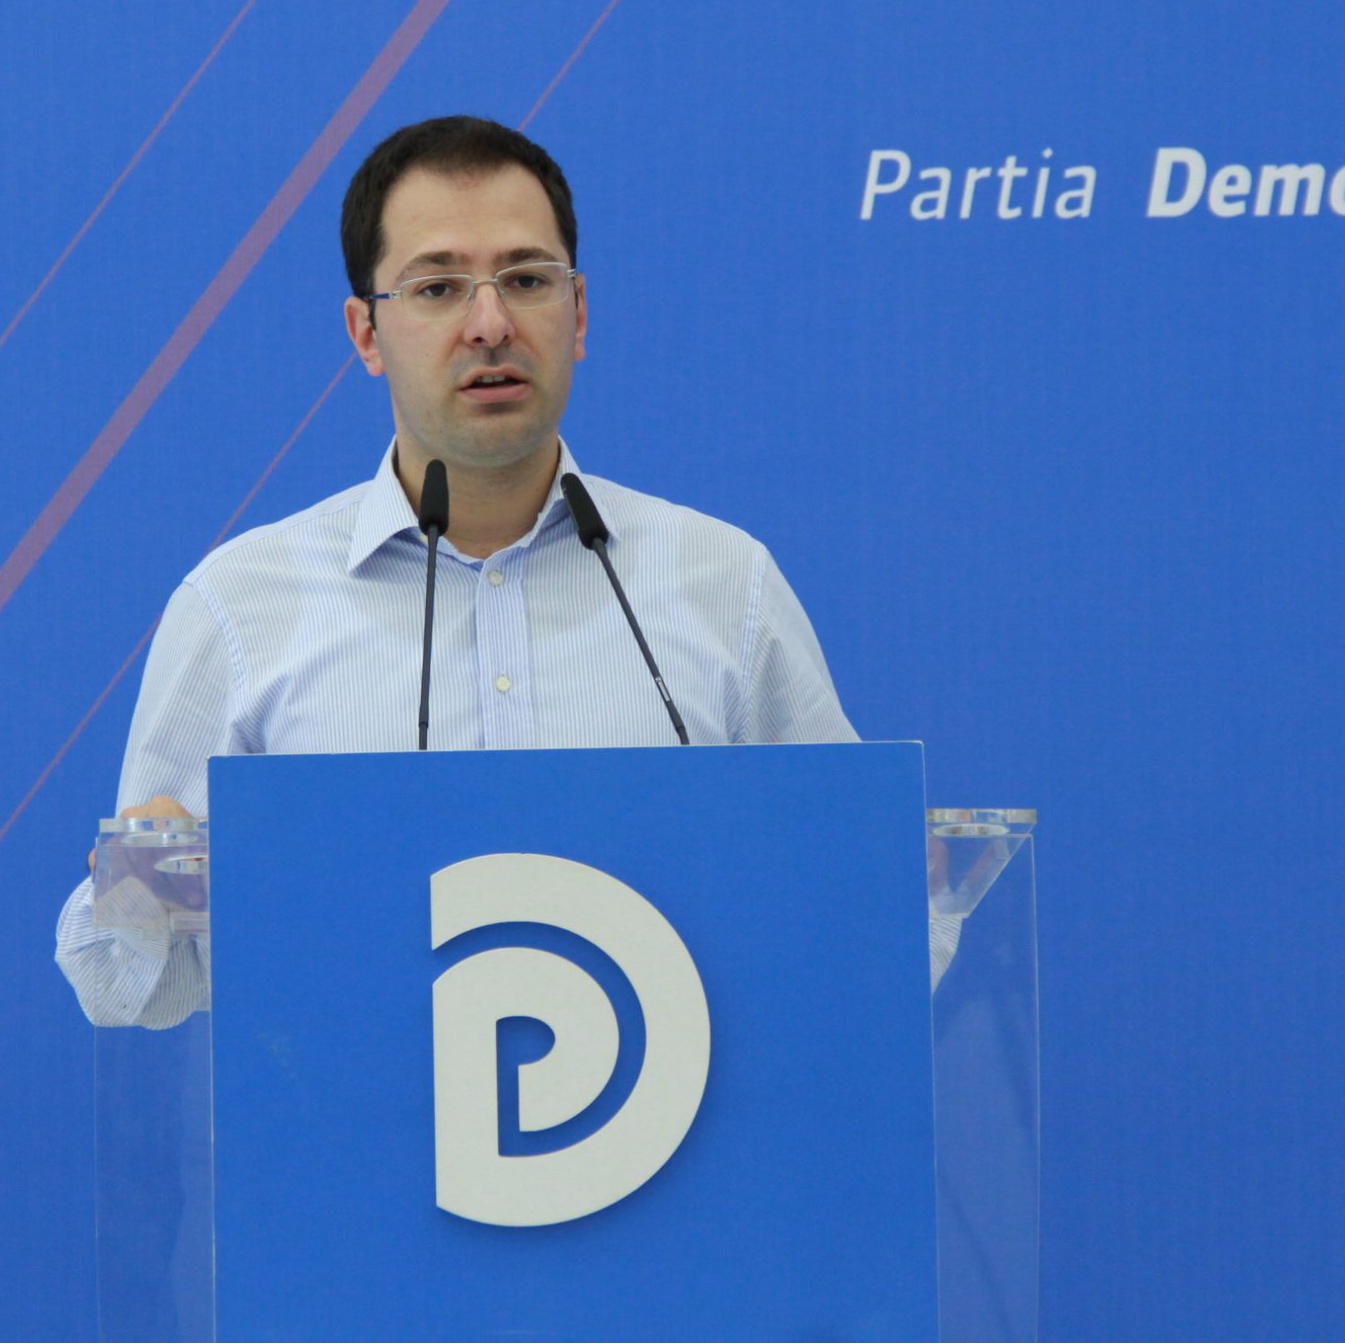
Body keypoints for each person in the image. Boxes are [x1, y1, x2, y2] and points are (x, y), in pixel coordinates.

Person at [55, 115, 860, 1027]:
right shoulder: (241, 606)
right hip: (355, 1117)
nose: (490, 324)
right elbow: (129, 988)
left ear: (579, 312)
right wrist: (141, 887)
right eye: (437, 287)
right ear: (366, 333)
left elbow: (868, 912)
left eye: (527, 279)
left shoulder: (723, 584)